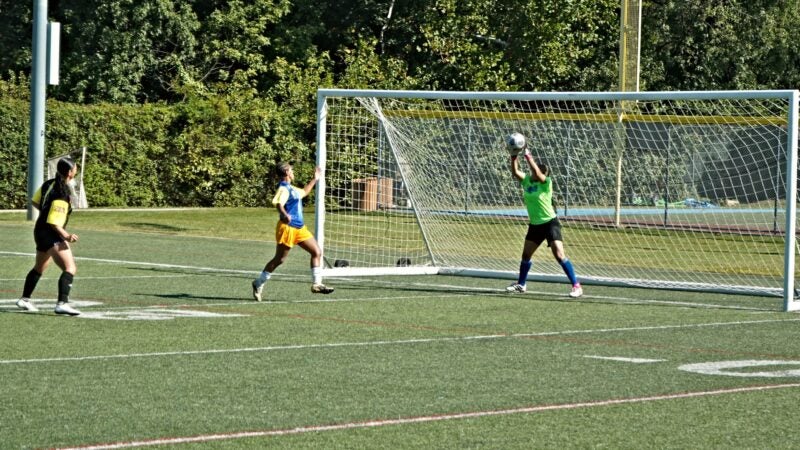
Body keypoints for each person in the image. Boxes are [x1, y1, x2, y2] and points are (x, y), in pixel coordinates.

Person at [506, 141, 583, 298]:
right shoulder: (527, 180)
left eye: (536, 171)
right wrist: (514, 156)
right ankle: (521, 284)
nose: (532, 172)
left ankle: (576, 286)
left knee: (559, 254)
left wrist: (528, 156)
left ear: (542, 174)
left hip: (550, 223)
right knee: (526, 256)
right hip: (535, 226)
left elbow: (538, 173)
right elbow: (515, 172)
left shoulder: (546, 183)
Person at [251, 162, 334, 301]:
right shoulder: (283, 189)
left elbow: (305, 191)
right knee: (280, 260)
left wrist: (315, 178)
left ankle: (316, 284)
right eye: (292, 170)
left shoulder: (292, 188)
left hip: (300, 228)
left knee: (316, 252)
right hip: (288, 228)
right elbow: (278, 203)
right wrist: (284, 214)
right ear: (287, 172)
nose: (293, 172)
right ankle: (258, 283)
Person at [16, 157, 82, 315]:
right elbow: (54, 223)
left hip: (39, 231)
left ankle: (24, 299)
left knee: (39, 268)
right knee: (70, 268)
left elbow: (35, 201)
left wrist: (45, 211)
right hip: (52, 234)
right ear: (69, 172)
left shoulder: (49, 183)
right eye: (75, 168)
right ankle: (62, 303)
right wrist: (67, 236)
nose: (76, 170)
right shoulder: (62, 192)